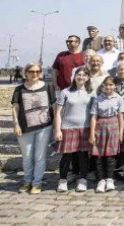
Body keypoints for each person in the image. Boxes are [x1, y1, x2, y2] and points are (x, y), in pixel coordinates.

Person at [12, 62, 55, 194]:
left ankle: (37, 182)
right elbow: (15, 108)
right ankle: (27, 181)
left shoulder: (48, 87)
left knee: (40, 156)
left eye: (37, 71)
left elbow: (54, 106)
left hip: (44, 127)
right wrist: (16, 124)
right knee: (27, 156)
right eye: (31, 71)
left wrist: (56, 125)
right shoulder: (19, 89)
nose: (34, 74)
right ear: (26, 73)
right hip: (25, 127)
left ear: (40, 73)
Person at [54, 67, 92, 193]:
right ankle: (62, 180)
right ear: (74, 76)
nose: (81, 77)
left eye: (84, 75)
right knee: (67, 156)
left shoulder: (90, 93)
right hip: (68, 128)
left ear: (87, 78)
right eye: (78, 74)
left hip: (84, 128)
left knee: (83, 156)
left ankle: (82, 180)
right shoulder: (65, 92)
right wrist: (58, 130)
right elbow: (58, 113)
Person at [89, 76, 124, 193]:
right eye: (106, 85)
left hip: (113, 127)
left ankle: (110, 179)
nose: (108, 87)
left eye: (111, 84)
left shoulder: (119, 99)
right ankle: (101, 180)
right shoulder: (97, 99)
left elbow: (120, 117)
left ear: (115, 86)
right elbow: (93, 117)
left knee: (111, 155)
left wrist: (121, 133)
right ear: (103, 86)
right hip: (100, 128)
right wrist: (92, 134)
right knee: (99, 155)